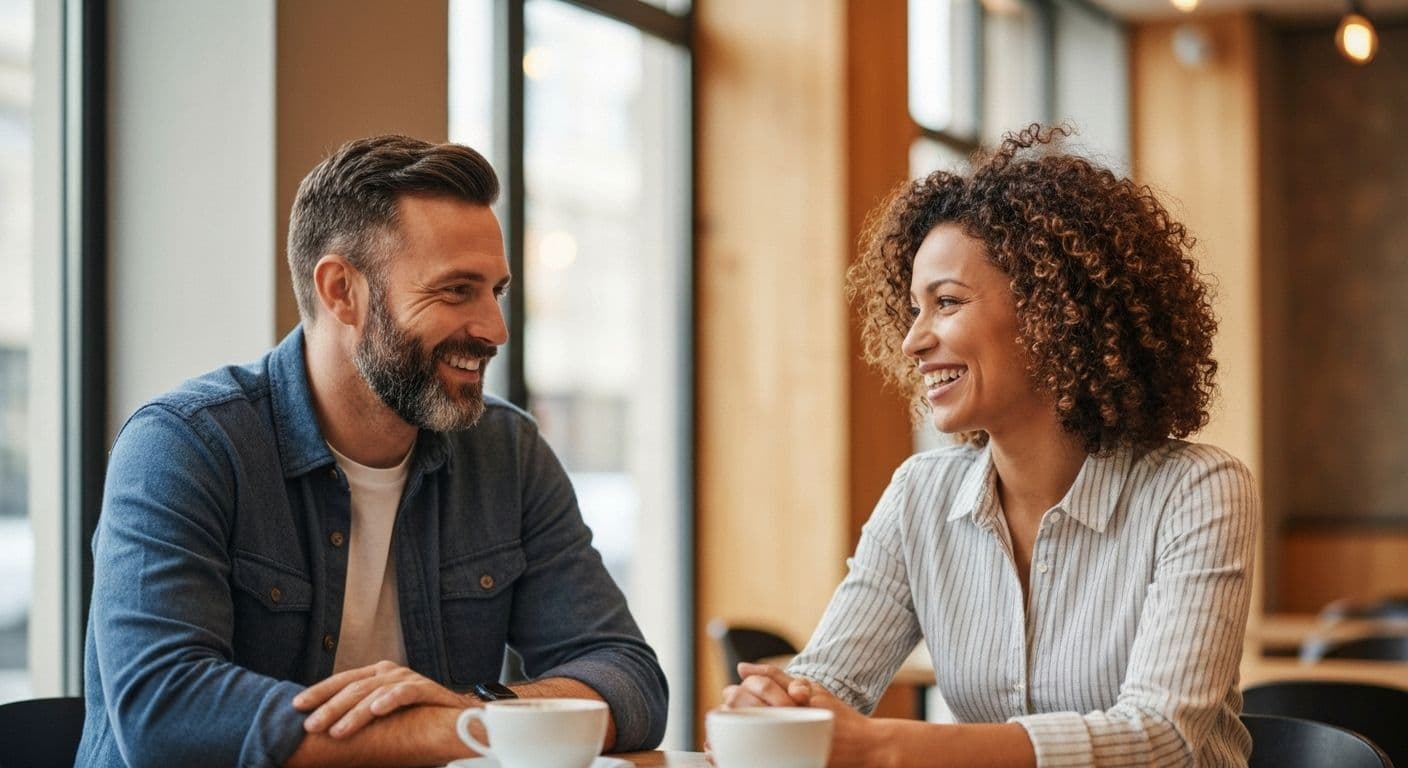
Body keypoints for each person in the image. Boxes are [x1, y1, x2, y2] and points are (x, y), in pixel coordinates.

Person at [77, 135, 668, 767]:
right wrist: (458, 730)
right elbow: (167, 713)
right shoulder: (185, 445)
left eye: (495, 291)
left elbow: (630, 681)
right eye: (456, 290)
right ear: (340, 291)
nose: (494, 329)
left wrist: (472, 710)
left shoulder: (506, 451)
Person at [722, 124, 1259, 767]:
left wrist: (888, 747)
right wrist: (780, 706)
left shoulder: (1198, 489)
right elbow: (830, 683)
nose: (912, 341)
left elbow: (1158, 737)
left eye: (946, 303)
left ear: (1054, 313)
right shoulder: (920, 494)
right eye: (914, 309)